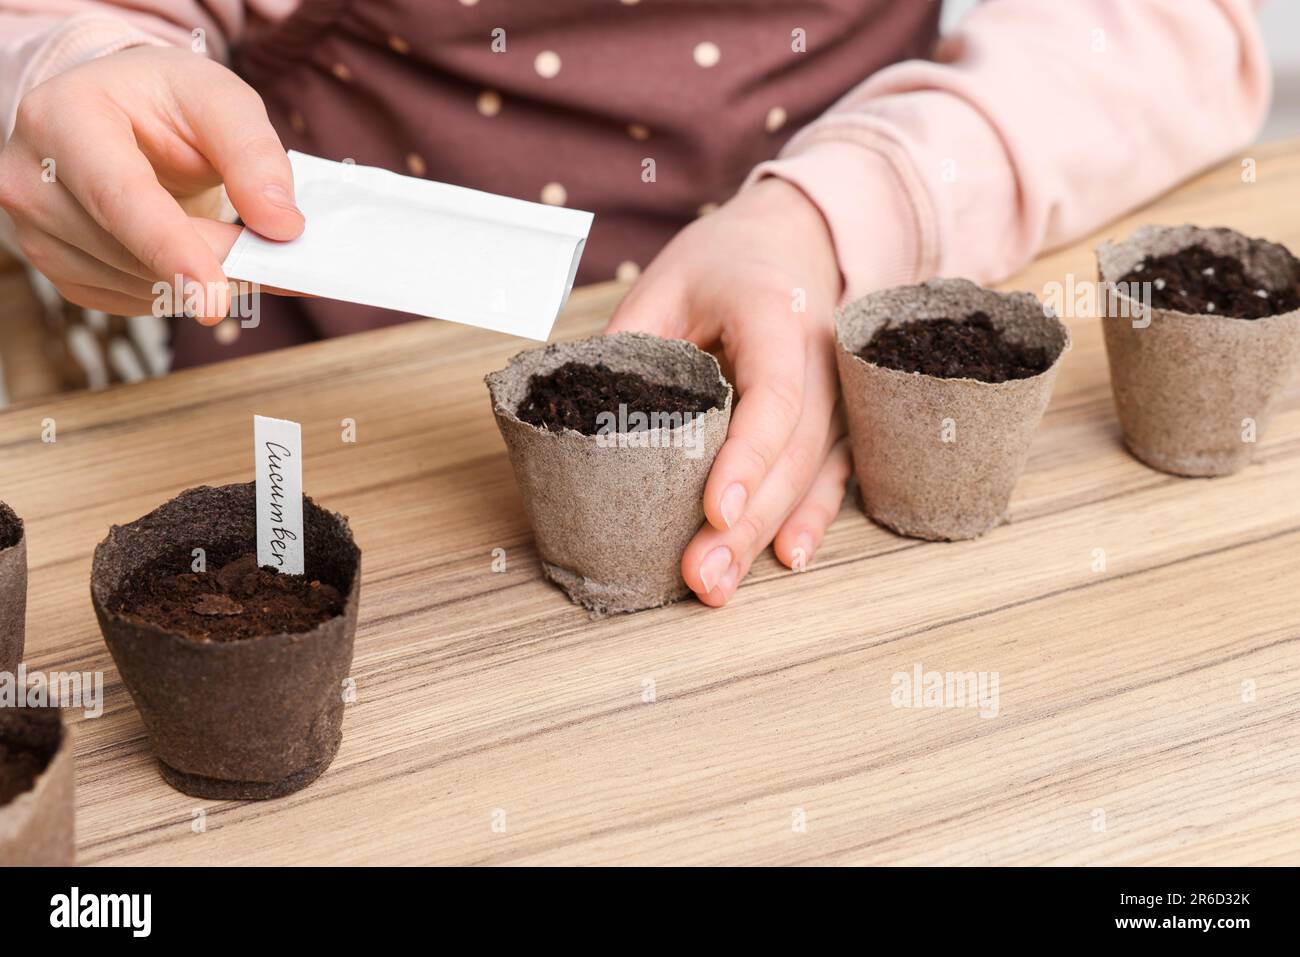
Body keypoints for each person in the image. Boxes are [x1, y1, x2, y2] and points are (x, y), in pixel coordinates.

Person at [0, 1, 1271, 607]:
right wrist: (62, 68)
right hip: (345, 399)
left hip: (854, 289)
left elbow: (1168, 30)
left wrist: (847, 211)